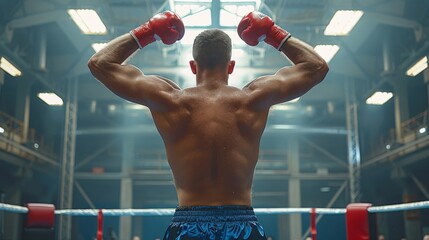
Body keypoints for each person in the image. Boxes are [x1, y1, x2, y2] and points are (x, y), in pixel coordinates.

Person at [88, 10, 328, 240]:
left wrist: (148, 31)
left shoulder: (169, 100)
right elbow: (317, 66)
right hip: (242, 225)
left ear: (193, 66)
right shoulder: (253, 99)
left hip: (187, 227)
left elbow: (99, 63)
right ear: (231, 66)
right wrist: (272, 33)